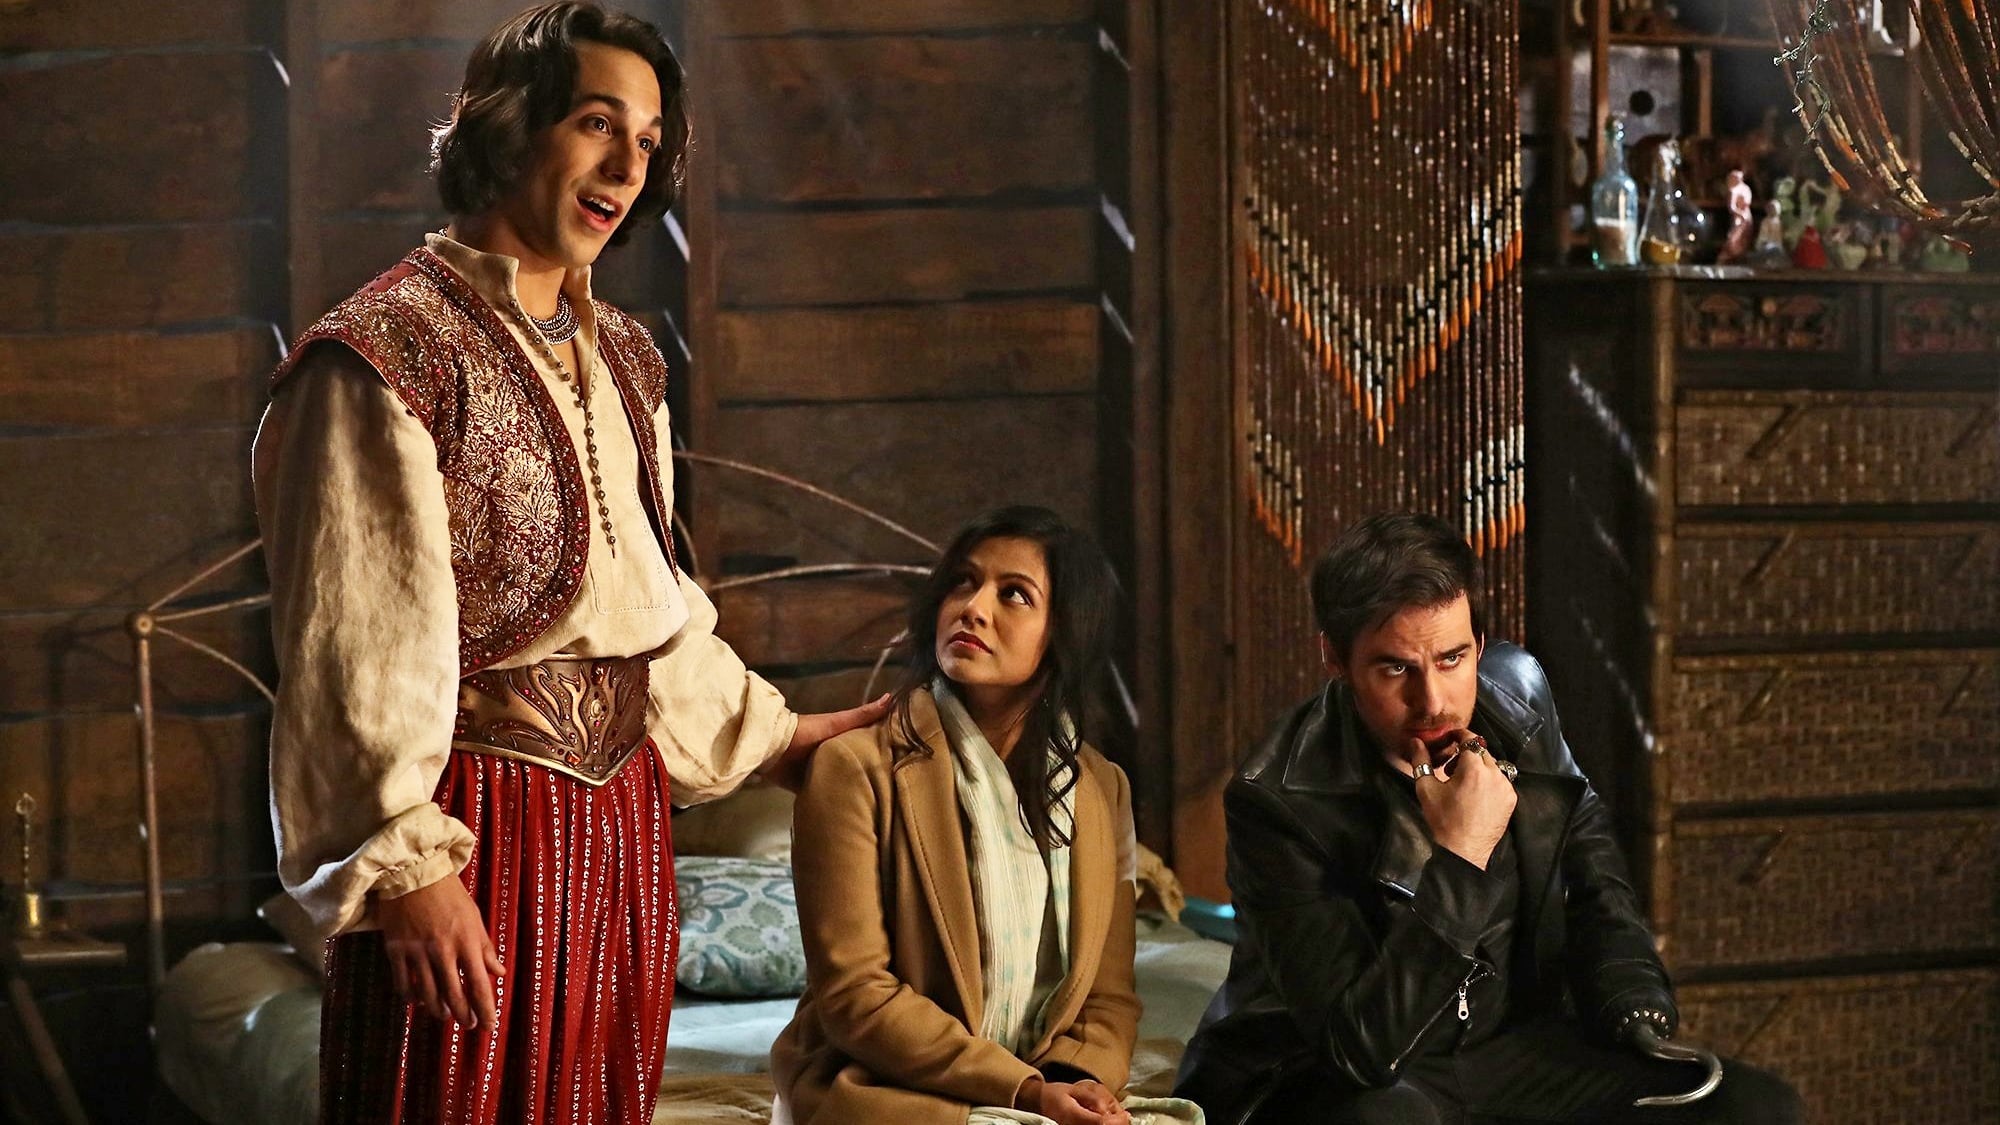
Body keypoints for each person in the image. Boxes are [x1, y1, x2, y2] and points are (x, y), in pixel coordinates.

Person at [251, 5, 888, 1121]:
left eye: (647, 141)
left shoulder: (626, 358)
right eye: (597, 124)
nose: (627, 167)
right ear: (510, 127)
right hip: (475, 827)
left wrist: (777, 739)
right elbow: (350, 652)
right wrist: (409, 868)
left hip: (621, 829)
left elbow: (650, 614)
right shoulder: (382, 355)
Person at [1173, 513, 1803, 1124]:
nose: (1432, 701)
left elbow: (1591, 867)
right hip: (1341, 1075)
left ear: (1478, 644)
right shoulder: (1276, 798)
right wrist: (1462, 857)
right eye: (1396, 668)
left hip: (1507, 1048)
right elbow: (1360, 1050)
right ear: (1335, 660)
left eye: (1452, 659)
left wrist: (1632, 999)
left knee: (1754, 1106)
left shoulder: (1519, 696)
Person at [771, 506, 1203, 1125]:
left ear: (1063, 631)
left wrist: (1073, 1083)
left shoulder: (1100, 787)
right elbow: (856, 998)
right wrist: (1023, 1091)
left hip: (1043, 1080)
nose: (973, 608)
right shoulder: (855, 768)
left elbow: (1108, 997)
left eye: (1014, 594)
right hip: (880, 1084)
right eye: (963, 582)